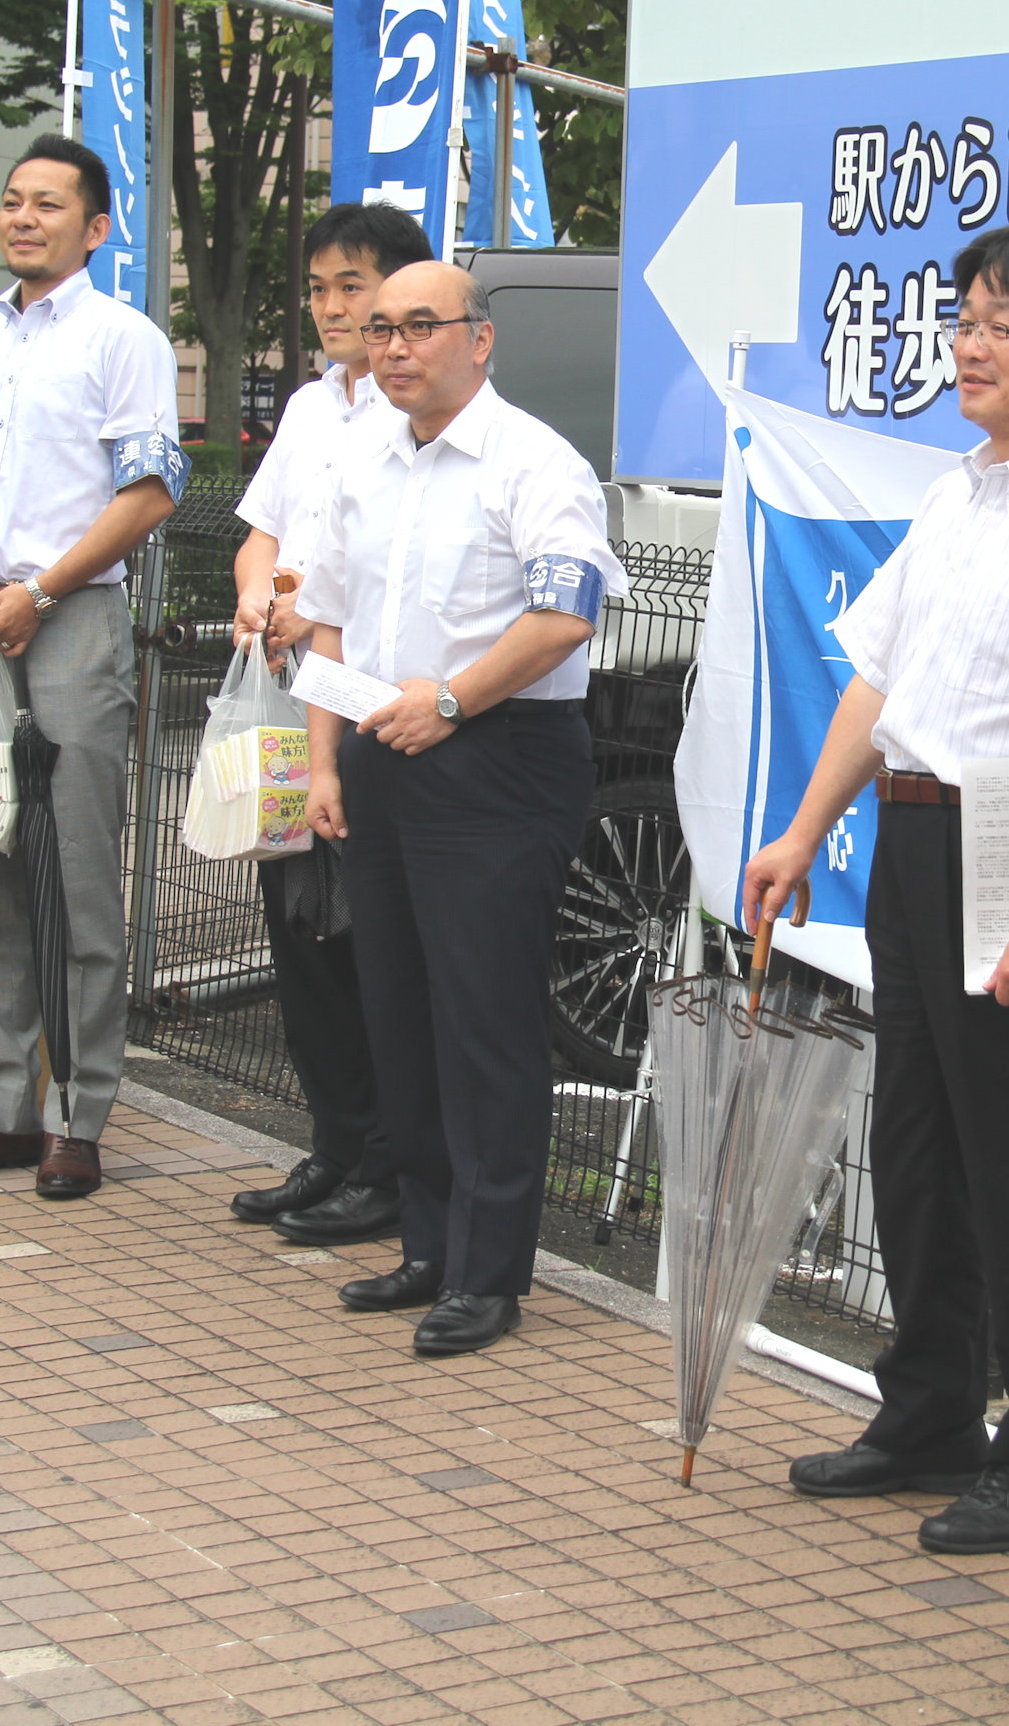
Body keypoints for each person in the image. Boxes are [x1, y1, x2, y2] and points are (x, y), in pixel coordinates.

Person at [738, 221, 1009, 1557]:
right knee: (916, 1148)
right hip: (908, 838)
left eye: (1001, 321)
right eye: (962, 315)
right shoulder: (953, 493)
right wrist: (801, 829)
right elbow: (876, 680)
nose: (965, 341)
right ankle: (929, 1409)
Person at [295, 261, 624, 1358]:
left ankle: (490, 1271)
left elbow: (563, 614)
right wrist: (328, 763)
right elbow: (326, 617)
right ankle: (428, 1242)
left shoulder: (534, 460)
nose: (391, 346)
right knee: (400, 1007)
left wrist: (448, 699)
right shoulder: (359, 458)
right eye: (378, 327)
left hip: (497, 757)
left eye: (418, 326)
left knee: (484, 1020)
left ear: (478, 340)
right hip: (383, 753)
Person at [0, 134, 187, 1200]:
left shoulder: (124, 339)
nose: (21, 218)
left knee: (75, 878)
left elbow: (148, 495)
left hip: (68, 620)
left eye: (47, 204)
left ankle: (79, 1114)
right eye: (11, 201)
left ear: (95, 227)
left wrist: (41, 590)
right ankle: (3, 1104)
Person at [217, 202, 432, 1242]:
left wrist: (318, 607)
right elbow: (259, 530)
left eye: (354, 286)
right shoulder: (310, 407)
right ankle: (336, 1143)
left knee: (367, 942)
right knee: (297, 928)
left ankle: (390, 1164)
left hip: (371, 704)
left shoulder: (414, 406)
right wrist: (261, 595)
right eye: (319, 288)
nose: (335, 307)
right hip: (284, 690)